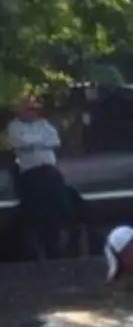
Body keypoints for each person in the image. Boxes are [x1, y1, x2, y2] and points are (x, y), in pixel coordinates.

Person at [7, 96, 75, 259]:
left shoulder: (44, 124)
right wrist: (40, 142)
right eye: (30, 109)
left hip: (50, 170)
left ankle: (63, 242)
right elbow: (20, 143)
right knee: (39, 213)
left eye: (35, 109)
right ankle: (44, 249)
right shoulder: (14, 127)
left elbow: (54, 140)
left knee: (62, 205)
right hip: (31, 174)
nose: (34, 113)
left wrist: (35, 143)